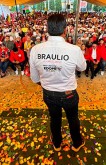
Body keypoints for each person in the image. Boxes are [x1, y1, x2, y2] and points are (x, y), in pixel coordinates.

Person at [29, 14, 86, 152]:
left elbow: (35, 78)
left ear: (47, 29)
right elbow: (83, 68)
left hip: (48, 93)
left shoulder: (36, 50)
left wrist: (48, 81)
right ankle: (77, 143)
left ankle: (57, 143)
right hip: (69, 93)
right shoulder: (74, 49)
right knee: (73, 118)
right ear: (65, 30)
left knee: (54, 118)